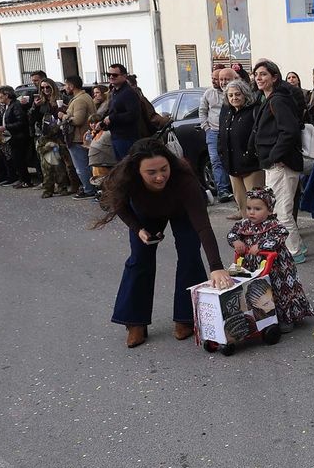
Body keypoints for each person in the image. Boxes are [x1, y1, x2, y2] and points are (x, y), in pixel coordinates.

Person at [93, 136, 234, 348]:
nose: (160, 177)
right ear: (136, 171)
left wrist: (216, 267)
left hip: (181, 210)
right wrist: (138, 229)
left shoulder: (184, 179)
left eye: (164, 169)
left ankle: (186, 318)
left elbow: (203, 226)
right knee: (140, 259)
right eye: (151, 172)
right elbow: (120, 206)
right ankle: (135, 322)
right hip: (146, 213)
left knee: (189, 255)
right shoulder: (125, 178)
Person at [227, 188, 314, 327]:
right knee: (253, 290)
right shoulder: (243, 224)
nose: (251, 212)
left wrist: (261, 245)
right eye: (249, 208)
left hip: (276, 266)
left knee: (277, 290)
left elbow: (280, 236)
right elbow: (232, 234)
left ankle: (286, 317)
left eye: (257, 209)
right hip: (251, 265)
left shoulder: (274, 225)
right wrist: (236, 241)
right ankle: (254, 315)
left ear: (269, 210)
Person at [250, 59, 306, 262]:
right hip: (275, 163)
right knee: (279, 208)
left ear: (274, 77)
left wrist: (274, 156)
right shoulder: (268, 99)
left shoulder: (278, 100)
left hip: (281, 164)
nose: (259, 78)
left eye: (263, 74)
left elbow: (289, 131)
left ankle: (295, 252)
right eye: (256, 75)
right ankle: (297, 245)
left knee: (282, 211)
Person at [217, 81, 263, 219]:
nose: (234, 98)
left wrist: (250, 155)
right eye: (230, 95)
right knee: (242, 204)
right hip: (232, 166)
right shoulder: (228, 113)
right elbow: (221, 135)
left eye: (237, 94)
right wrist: (222, 154)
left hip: (251, 166)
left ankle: (261, 232)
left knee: (257, 204)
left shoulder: (254, 111)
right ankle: (247, 230)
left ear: (245, 94)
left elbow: (257, 137)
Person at [33, 82, 74, 197]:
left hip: (60, 135)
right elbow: (32, 119)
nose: (45, 89)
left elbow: (69, 113)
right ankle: (48, 189)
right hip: (46, 136)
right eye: (43, 88)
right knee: (47, 165)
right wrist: (35, 107)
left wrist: (64, 108)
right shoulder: (40, 102)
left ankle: (62, 187)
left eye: (47, 87)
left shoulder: (62, 98)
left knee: (60, 165)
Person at [199, 67, 232, 203]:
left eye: (217, 79)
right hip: (213, 132)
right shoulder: (208, 93)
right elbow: (202, 111)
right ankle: (222, 190)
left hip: (228, 131)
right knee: (215, 161)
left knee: (230, 159)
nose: (214, 81)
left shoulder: (231, 93)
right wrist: (206, 127)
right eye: (212, 78)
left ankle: (234, 189)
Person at [63, 76, 99, 197]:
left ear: (72, 86)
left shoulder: (79, 100)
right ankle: (91, 188)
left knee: (81, 167)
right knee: (87, 165)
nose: (64, 87)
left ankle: (88, 190)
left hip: (78, 138)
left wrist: (64, 117)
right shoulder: (86, 97)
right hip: (86, 136)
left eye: (66, 85)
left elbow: (78, 120)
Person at [105, 63, 146, 160]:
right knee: (121, 166)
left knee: (128, 166)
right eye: (108, 74)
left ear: (124, 76)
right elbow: (112, 111)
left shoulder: (128, 93)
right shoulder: (115, 92)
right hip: (116, 135)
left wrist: (112, 118)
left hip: (126, 137)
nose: (111, 77)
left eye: (114, 75)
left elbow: (133, 115)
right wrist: (103, 121)